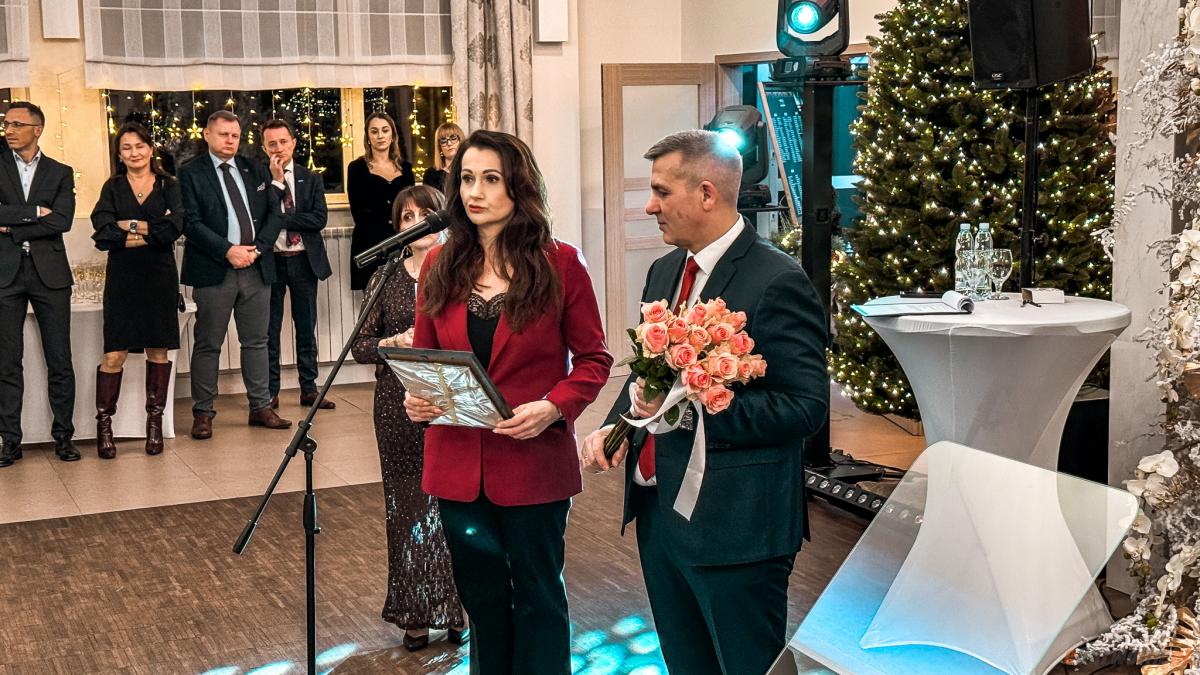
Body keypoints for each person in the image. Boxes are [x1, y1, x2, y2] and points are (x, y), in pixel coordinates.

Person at [581, 130, 829, 675]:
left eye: (661, 191)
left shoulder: (777, 280)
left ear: (707, 194)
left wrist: (692, 409)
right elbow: (649, 371)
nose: (650, 206)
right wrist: (617, 426)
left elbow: (804, 407)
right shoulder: (665, 270)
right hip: (660, 514)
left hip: (737, 524)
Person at [403, 130, 612, 674]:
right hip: (457, 465)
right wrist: (418, 400)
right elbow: (426, 361)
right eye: (467, 179)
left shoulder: (561, 263)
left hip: (533, 463)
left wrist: (554, 407)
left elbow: (594, 360)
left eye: (490, 179)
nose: (475, 192)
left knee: (539, 596)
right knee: (484, 601)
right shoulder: (438, 263)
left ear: (518, 187)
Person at [351, 184, 467, 652]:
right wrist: (392, 343)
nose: (416, 223)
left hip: (450, 402)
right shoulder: (385, 275)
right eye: (407, 217)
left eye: (425, 214)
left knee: (454, 507)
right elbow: (360, 347)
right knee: (407, 509)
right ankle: (415, 610)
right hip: (396, 405)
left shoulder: (462, 271)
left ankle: (458, 607)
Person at [179, 110, 292, 440]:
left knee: (257, 341)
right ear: (207, 135)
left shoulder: (253, 169)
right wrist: (228, 250)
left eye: (235, 136)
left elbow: (274, 213)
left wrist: (258, 249)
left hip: (255, 267)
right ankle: (203, 412)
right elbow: (191, 223)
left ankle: (260, 406)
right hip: (214, 269)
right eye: (223, 134)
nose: (230, 141)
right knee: (208, 343)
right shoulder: (190, 173)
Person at [90, 122, 184, 459]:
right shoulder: (112, 187)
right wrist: (149, 231)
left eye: (140, 146)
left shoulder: (169, 185)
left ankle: (154, 424)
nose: (134, 153)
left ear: (150, 149)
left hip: (159, 276)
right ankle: (104, 426)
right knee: (114, 354)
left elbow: (175, 228)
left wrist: (127, 226)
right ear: (119, 154)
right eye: (127, 148)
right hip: (123, 278)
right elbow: (102, 231)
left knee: (157, 351)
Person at [0, 101, 80, 467]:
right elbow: (45, 218)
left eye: (17, 124)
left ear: (38, 129)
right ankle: (10, 441)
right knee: (7, 361)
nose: (9, 130)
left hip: (50, 273)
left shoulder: (60, 172)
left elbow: (62, 221)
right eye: (7, 124)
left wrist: (9, 227)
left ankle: (64, 436)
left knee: (59, 359)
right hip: (6, 274)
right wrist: (34, 213)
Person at [260, 119, 335, 411]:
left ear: (293, 143)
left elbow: (318, 219)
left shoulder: (310, 178)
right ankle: (270, 391)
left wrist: (281, 218)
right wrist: (275, 182)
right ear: (264, 148)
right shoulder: (260, 179)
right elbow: (261, 218)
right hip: (272, 261)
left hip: (304, 260)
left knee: (306, 326)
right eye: (272, 144)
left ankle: (309, 388)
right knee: (270, 330)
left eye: (283, 142)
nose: (278, 148)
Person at [347, 112, 415, 291]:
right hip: (371, 244)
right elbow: (358, 212)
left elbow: (411, 209)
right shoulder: (356, 168)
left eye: (385, 130)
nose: (380, 136)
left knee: (403, 299)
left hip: (402, 244)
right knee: (373, 301)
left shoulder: (406, 168)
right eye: (374, 131)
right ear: (368, 137)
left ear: (392, 135)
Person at [420, 122, 464, 193]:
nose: (449, 143)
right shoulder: (431, 174)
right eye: (443, 141)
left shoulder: (468, 169)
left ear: (460, 141)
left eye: (453, 138)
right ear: (439, 147)